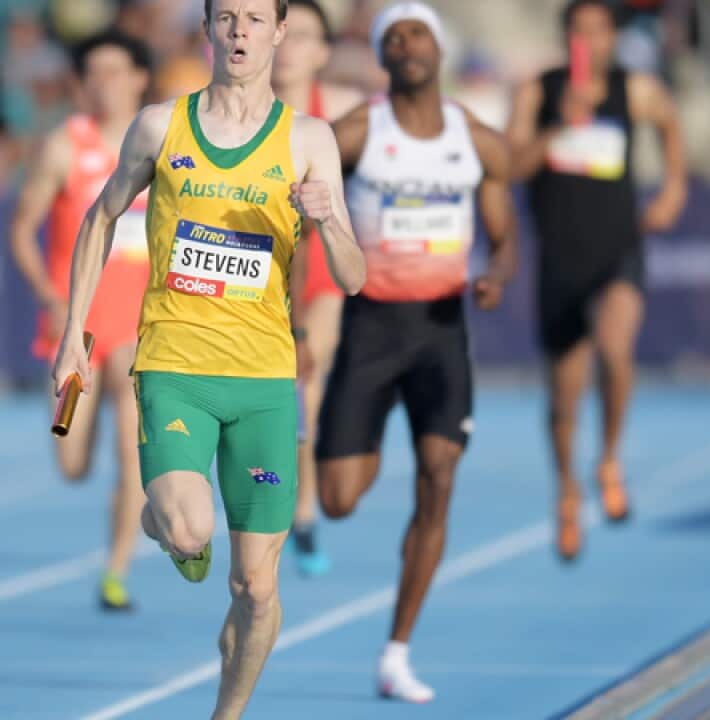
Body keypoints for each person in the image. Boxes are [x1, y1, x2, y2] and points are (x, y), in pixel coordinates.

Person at [50, 0, 366, 715]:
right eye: (227, 18)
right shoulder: (162, 126)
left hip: (262, 382)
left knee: (255, 588)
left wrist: (325, 220)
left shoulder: (310, 139)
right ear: (207, 30)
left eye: (256, 19)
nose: (240, 32)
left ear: (280, 32)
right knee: (191, 528)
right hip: (175, 368)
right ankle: (164, 522)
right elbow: (101, 218)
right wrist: (75, 333)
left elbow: (352, 275)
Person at [316, 2, 517, 703]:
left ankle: (397, 650)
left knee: (438, 475)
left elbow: (505, 231)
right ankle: (341, 441)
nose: (406, 44)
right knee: (338, 500)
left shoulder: (476, 140)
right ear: (381, 56)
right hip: (370, 328)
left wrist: (497, 274)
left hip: (440, 333)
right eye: (393, 37)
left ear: (440, 48)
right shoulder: (362, 129)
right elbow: (295, 177)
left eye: (417, 33)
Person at [506, 0, 687, 562]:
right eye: (579, 30)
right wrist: (563, 121)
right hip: (561, 259)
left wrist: (674, 186)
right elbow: (512, 165)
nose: (589, 39)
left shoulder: (635, 90)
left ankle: (609, 457)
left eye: (599, 30)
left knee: (615, 347)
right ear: (566, 38)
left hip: (617, 254)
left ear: (612, 37)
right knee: (563, 398)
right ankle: (567, 489)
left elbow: (670, 123)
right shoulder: (539, 90)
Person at [10, 31, 153, 612]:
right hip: (78, 330)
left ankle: (116, 570)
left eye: (116, 71)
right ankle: (80, 431)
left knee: (133, 453)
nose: (105, 83)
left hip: (142, 325)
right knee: (71, 461)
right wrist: (48, 294)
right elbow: (22, 229)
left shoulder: (162, 145)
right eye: (94, 72)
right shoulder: (64, 146)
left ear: (140, 78)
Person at [271, 0, 364, 578]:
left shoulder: (343, 116)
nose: (290, 47)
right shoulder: (241, 109)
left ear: (322, 52)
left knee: (307, 374)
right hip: (257, 261)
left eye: (305, 36)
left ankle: (302, 509)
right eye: (286, 34)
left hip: (321, 262)